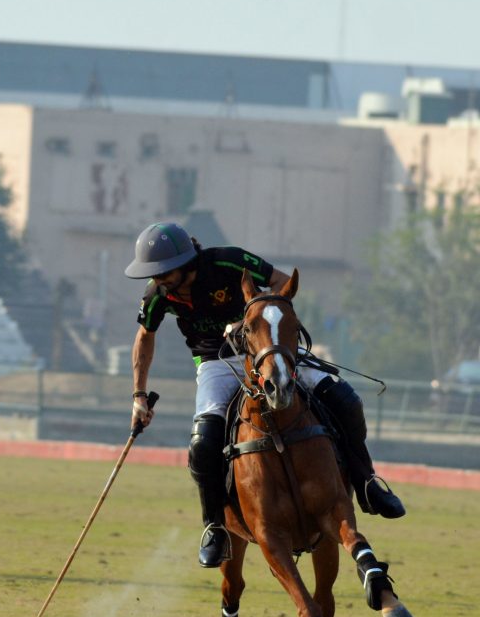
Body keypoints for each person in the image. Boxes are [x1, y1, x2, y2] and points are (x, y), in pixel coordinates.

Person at [125, 222, 405, 569]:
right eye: (155, 275)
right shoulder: (158, 295)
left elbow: (281, 283)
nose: (159, 280)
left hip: (266, 350)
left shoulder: (227, 262)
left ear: (186, 264)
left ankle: (366, 484)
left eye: (165, 273)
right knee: (203, 443)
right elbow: (144, 337)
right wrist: (139, 395)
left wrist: (250, 321)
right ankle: (215, 525)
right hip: (215, 362)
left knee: (345, 400)